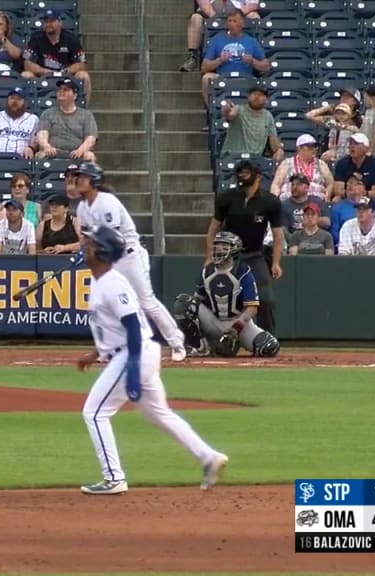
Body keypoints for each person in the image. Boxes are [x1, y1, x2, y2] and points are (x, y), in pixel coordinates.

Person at [75, 224, 229, 495]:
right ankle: (209, 456)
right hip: (134, 351)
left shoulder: (112, 282)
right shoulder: (101, 280)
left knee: (95, 413)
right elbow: (113, 329)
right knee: (159, 413)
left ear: (102, 252)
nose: (84, 246)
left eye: (90, 244)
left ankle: (113, 477)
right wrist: (95, 353)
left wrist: (132, 369)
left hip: (134, 353)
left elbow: (133, 326)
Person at [73, 162, 188, 361]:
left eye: (84, 177)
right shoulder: (82, 207)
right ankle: (106, 349)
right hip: (106, 260)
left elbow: (112, 237)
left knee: (146, 302)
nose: (79, 180)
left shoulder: (106, 202)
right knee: (100, 301)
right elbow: (87, 237)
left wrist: (93, 249)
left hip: (127, 255)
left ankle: (176, 342)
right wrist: (83, 249)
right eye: (79, 177)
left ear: (95, 181)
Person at [172, 231, 280, 359]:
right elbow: (198, 301)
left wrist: (237, 327)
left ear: (234, 250)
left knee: (269, 347)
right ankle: (200, 346)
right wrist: (199, 330)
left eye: (224, 246)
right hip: (214, 320)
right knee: (183, 303)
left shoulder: (243, 271)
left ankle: (224, 346)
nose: (218, 249)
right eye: (217, 245)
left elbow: (252, 307)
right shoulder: (207, 271)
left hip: (239, 322)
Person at [205, 161, 284, 334]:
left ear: (258, 176)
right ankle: (214, 337)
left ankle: (267, 338)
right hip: (228, 256)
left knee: (265, 299)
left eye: (247, 172)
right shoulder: (227, 198)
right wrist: (210, 256)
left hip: (255, 255)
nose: (242, 175)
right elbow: (212, 229)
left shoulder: (270, 202)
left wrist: (276, 263)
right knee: (217, 296)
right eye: (240, 172)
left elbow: (278, 236)